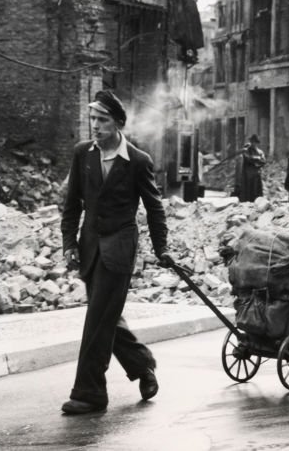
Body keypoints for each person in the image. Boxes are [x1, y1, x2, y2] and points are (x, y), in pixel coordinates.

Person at [60, 90, 171, 415]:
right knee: (105, 316)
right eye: (92, 119)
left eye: (102, 120)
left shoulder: (137, 161)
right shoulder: (83, 154)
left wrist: (161, 248)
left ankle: (90, 393)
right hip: (90, 248)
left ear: (118, 123)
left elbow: (154, 209)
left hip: (119, 251)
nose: (95, 126)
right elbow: (71, 205)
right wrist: (69, 243)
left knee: (97, 318)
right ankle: (142, 364)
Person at [238, 134, 265, 202]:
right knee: (247, 190)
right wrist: (257, 159)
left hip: (256, 173)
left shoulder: (260, 152)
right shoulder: (246, 150)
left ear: (257, 143)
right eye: (252, 142)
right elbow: (248, 158)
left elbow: (263, 161)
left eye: (255, 142)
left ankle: (255, 203)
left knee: (256, 190)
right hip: (247, 174)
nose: (253, 144)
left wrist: (257, 161)